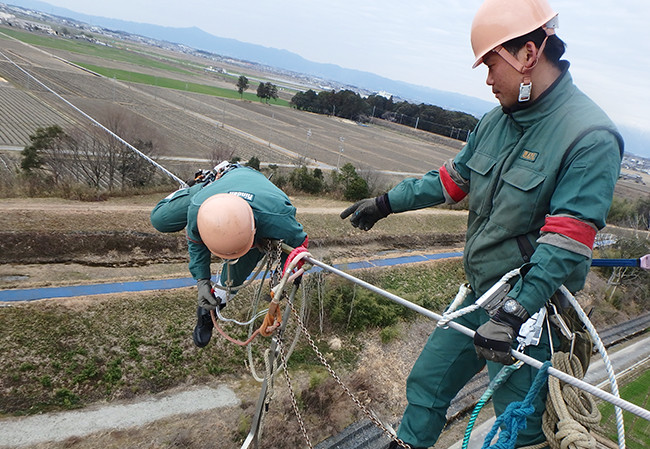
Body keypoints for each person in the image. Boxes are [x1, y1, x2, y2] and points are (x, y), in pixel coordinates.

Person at [341, 0, 623, 447]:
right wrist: (384, 203)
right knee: (427, 385)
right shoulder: (495, 122)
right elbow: (452, 182)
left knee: (518, 426)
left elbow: (568, 240)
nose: (489, 81)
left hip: (530, 319)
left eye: (493, 65)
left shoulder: (589, 136)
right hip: (480, 298)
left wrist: (514, 313)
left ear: (529, 55)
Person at [151, 162, 307, 348]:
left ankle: (209, 311)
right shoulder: (199, 208)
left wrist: (282, 277)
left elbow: (299, 245)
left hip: (258, 198)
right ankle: (206, 180)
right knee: (160, 219)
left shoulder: (279, 219)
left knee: (233, 278)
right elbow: (196, 243)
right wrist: (202, 281)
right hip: (216, 187)